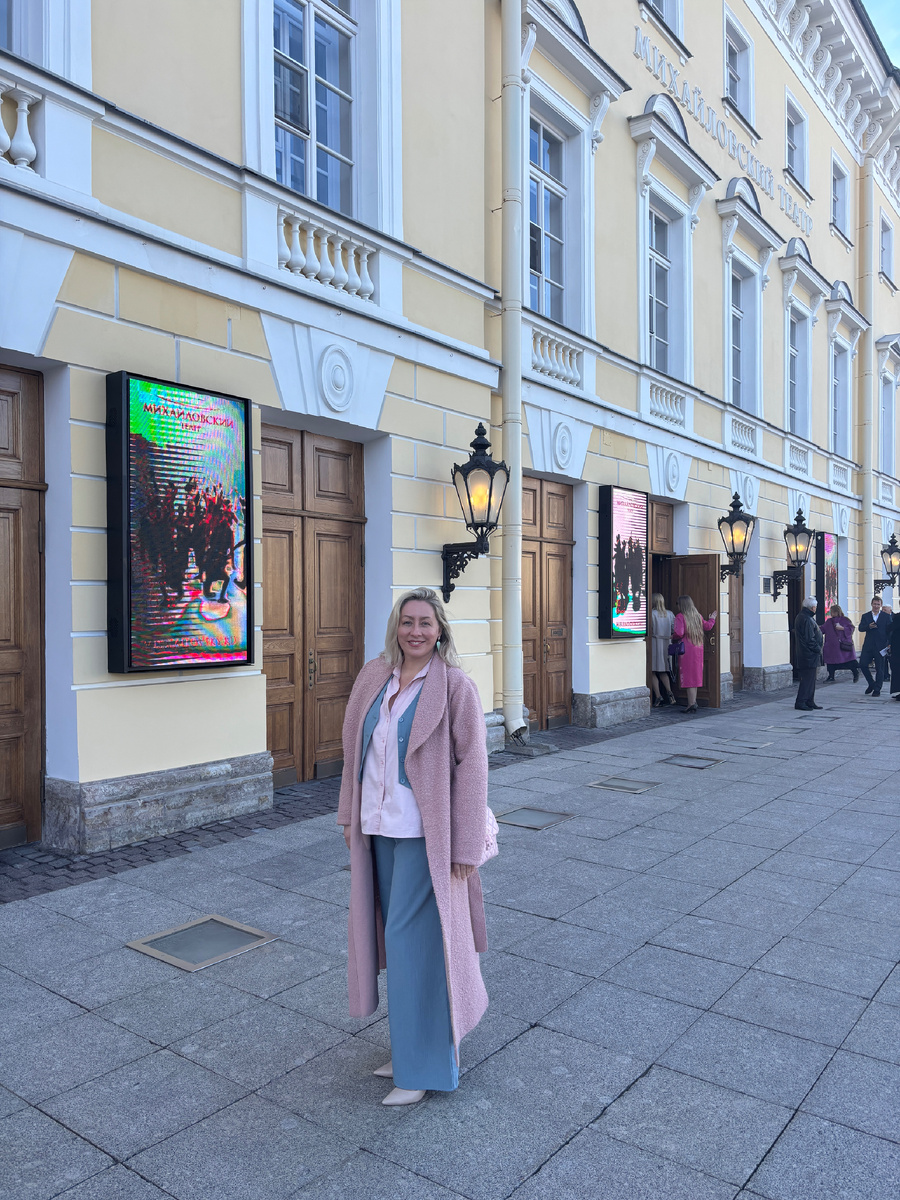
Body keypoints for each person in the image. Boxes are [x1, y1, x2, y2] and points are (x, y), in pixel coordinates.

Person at [337, 586, 490, 1107]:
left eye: (426, 622)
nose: (416, 631)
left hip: (427, 837)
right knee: (390, 942)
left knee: (413, 947)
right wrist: (347, 813)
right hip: (377, 829)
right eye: (408, 622)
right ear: (396, 627)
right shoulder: (374, 677)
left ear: (440, 629)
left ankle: (425, 1068)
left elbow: (474, 767)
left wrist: (466, 845)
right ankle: (409, 1049)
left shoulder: (455, 688)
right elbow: (353, 748)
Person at [672, 595, 716, 713]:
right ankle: (693, 701)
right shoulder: (698, 616)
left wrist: (671, 637)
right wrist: (712, 618)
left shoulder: (680, 616)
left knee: (688, 675)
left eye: (678, 604)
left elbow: (679, 633)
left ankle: (691, 703)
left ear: (682, 605)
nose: (677, 606)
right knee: (695, 674)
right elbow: (707, 626)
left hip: (686, 649)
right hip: (698, 647)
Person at [858, 595, 893, 696]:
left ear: (881, 605)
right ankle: (871, 683)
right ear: (871, 604)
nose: (876, 606)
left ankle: (877, 688)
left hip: (881, 645)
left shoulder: (886, 616)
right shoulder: (866, 616)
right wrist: (868, 626)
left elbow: (890, 631)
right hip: (868, 645)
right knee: (863, 664)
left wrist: (889, 643)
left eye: (878, 604)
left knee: (880, 668)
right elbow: (860, 628)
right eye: (874, 604)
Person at [794, 596, 824, 710]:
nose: (816, 609)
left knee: (811, 680)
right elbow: (809, 638)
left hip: (809, 654)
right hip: (808, 655)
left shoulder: (806, 617)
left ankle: (809, 700)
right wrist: (817, 649)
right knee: (807, 680)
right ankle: (801, 702)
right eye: (815, 607)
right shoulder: (805, 618)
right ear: (812, 607)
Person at [650, 593, 676, 707]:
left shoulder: (651, 614)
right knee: (664, 670)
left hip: (655, 643)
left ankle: (658, 696)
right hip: (666, 643)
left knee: (652, 671)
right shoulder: (670, 614)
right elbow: (674, 629)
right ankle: (670, 693)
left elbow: (648, 630)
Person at [822, 605, 859, 682]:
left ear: (836, 612)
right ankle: (831, 676)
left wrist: (843, 628)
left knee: (849, 661)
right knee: (831, 662)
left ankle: (855, 673)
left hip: (843, 646)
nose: (831, 613)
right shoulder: (829, 621)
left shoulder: (845, 620)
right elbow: (822, 629)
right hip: (832, 647)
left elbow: (851, 629)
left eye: (832, 611)